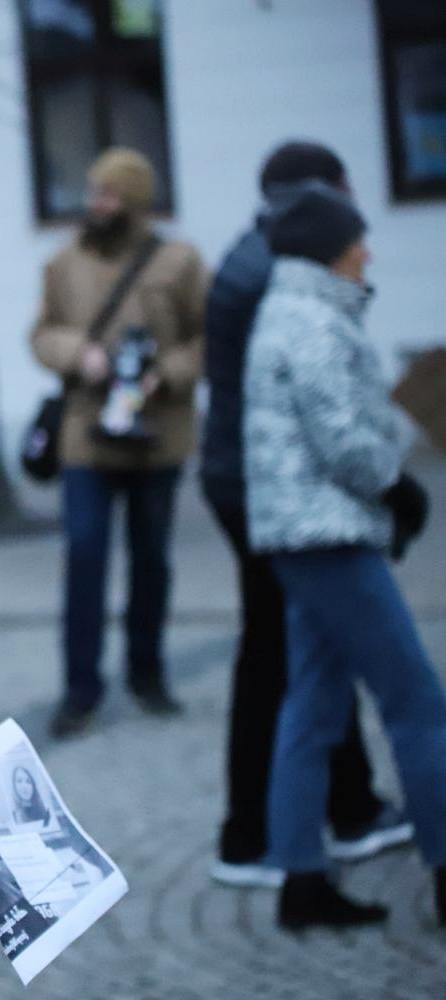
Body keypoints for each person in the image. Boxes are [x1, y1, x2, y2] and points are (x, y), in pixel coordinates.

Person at [201, 141, 409, 890]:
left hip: (254, 484)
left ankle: (339, 816)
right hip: (266, 489)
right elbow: (323, 414)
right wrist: (390, 484)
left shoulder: (254, 256)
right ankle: (251, 835)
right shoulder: (276, 276)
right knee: (277, 655)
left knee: (309, 648)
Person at [244, 182, 444, 930]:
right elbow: (342, 437)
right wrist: (400, 488)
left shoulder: (293, 309)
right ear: (332, 246)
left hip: (304, 536)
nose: (369, 249)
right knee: (419, 704)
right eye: (358, 237)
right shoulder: (313, 318)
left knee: (314, 709)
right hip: (327, 535)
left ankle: (301, 882)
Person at [30, 148, 208, 738]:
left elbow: (207, 338)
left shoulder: (179, 263)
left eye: (107, 194)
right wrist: (75, 352)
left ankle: (148, 674)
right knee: (84, 558)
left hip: (158, 438)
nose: (95, 204)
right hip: (87, 438)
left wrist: (169, 372)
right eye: (93, 192)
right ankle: (80, 690)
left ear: (133, 201)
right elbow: (42, 333)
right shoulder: (63, 265)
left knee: (151, 559)